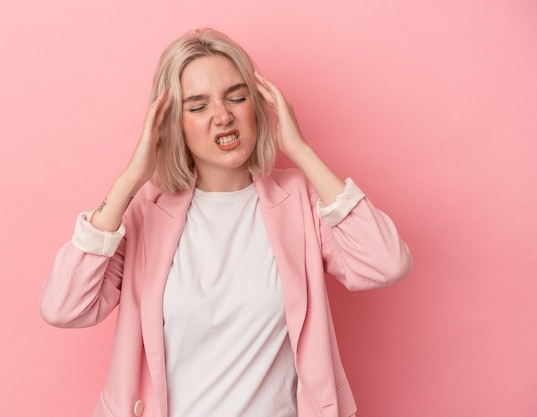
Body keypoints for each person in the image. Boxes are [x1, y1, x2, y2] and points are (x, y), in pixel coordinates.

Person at [40, 28, 413, 417]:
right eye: (198, 106)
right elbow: (64, 307)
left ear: (258, 105)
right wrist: (129, 180)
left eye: (237, 97)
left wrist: (300, 150)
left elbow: (386, 263)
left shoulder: (299, 200)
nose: (223, 116)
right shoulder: (145, 212)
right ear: (171, 122)